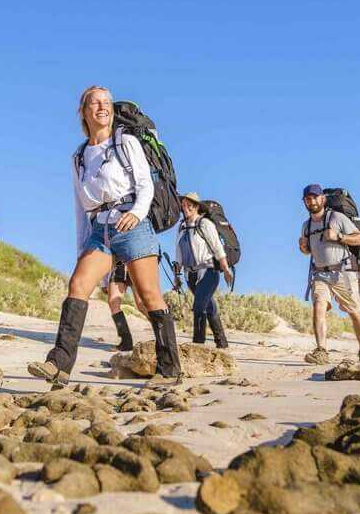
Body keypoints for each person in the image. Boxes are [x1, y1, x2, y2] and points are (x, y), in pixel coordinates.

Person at [27, 86, 182, 386]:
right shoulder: (79, 156)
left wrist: (136, 213)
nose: (103, 107)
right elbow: (79, 207)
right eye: (95, 102)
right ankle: (59, 363)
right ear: (83, 111)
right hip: (99, 229)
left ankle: (169, 369)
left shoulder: (125, 142)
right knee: (78, 283)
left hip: (131, 223)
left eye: (107, 102)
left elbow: (144, 184)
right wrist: (81, 250)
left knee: (149, 297)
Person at [298, 183, 360, 364]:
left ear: (323, 198)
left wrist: (339, 237)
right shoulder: (306, 226)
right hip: (320, 274)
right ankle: (321, 350)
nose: (311, 201)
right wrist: (303, 248)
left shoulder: (337, 217)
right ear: (304, 202)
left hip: (343, 272)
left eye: (315, 197)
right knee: (319, 306)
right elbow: (308, 251)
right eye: (308, 199)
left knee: (354, 312)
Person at [175, 192, 233, 348]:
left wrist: (226, 269)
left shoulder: (205, 224)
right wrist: (177, 274)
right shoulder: (181, 227)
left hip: (209, 272)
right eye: (184, 205)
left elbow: (217, 247)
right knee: (208, 306)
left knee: (199, 306)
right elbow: (178, 252)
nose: (185, 208)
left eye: (189, 205)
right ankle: (222, 343)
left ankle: (197, 345)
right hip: (190, 275)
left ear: (196, 207)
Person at [103, 258, 147, 351]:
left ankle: (164, 335)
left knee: (142, 305)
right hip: (118, 264)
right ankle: (126, 342)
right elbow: (105, 253)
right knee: (113, 303)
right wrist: (104, 281)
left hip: (136, 261)